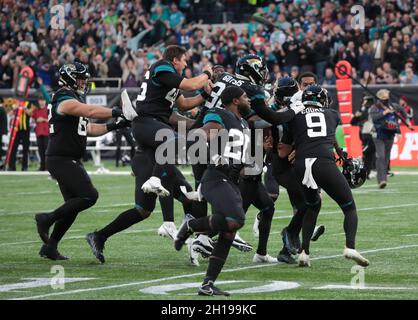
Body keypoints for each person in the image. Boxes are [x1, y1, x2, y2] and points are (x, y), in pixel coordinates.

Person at [85, 45, 213, 263]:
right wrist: (208, 75)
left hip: (156, 146)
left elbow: (182, 105)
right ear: (174, 60)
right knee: (174, 141)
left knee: (147, 208)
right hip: (146, 127)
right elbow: (190, 84)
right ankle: (162, 194)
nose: (185, 64)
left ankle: (99, 236)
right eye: (184, 60)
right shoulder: (162, 67)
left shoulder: (169, 83)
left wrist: (203, 100)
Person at [34, 62, 128, 260]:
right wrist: (115, 111)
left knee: (72, 206)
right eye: (81, 77)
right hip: (61, 158)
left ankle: (50, 247)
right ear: (69, 78)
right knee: (89, 196)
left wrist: (115, 125)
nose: (84, 81)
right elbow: (91, 112)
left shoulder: (74, 98)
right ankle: (46, 218)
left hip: (67, 158)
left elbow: (89, 129)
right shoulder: (63, 97)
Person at [174, 86, 253, 296]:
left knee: (229, 230)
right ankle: (192, 225)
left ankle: (207, 284)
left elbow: (238, 155)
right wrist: (203, 139)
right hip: (217, 176)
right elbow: (207, 129)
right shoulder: (221, 113)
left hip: (231, 180)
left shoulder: (243, 123)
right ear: (235, 100)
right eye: (245, 97)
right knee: (236, 219)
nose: (249, 100)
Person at [286, 84, 369, 267]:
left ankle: (304, 252)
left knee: (312, 206)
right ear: (321, 100)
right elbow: (327, 135)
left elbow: (290, 144)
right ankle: (350, 247)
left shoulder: (294, 114)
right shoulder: (332, 114)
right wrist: (341, 154)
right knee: (349, 207)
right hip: (323, 163)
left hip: (301, 165)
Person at [369, 89, 411, 189]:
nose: (386, 99)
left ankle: (384, 179)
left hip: (390, 134)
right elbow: (374, 118)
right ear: (379, 98)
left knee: (386, 157)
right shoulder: (374, 107)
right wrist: (384, 112)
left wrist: (407, 122)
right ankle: (381, 180)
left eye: (387, 97)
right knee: (381, 156)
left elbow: (402, 111)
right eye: (383, 97)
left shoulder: (393, 106)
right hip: (378, 135)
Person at [350, 95, 376, 179]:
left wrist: (360, 114)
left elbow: (367, 116)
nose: (363, 102)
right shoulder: (362, 109)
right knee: (367, 153)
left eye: (365, 100)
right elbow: (352, 122)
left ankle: (372, 170)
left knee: (369, 152)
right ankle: (367, 172)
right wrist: (356, 116)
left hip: (371, 133)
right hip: (363, 133)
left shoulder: (372, 109)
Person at [31, 78, 51, 171]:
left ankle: (47, 167)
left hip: (46, 133)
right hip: (39, 133)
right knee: (41, 151)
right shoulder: (36, 110)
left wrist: (43, 119)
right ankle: (42, 167)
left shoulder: (48, 109)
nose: (41, 101)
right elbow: (32, 119)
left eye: (43, 100)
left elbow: (51, 120)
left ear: (45, 101)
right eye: (40, 100)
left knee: (47, 151)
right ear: (38, 101)